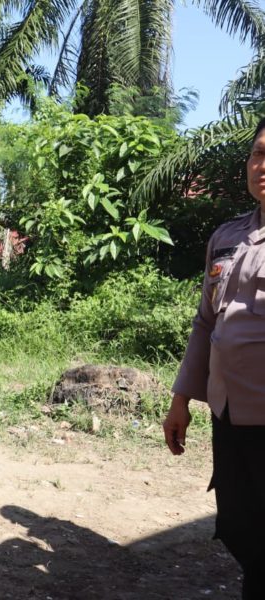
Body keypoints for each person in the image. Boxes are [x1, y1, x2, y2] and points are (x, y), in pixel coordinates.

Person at [165, 117, 265, 600]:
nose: (262, 165)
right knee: (240, 524)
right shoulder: (227, 237)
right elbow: (207, 322)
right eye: (258, 153)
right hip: (229, 412)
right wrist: (182, 398)